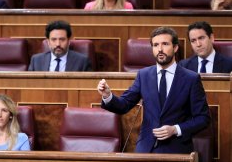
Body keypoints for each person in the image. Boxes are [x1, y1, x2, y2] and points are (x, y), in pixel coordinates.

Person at [97, 26, 210, 154]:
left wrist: (175, 129)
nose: (160, 49)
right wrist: (107, 96)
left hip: (177, 150)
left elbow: (203, 118)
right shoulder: (143, 75)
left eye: (165, 44)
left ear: (175, 47)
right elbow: (124, 105)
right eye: (155, 45)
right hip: (146, 149)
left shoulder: (191, 79)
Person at [28, 20, 92, 71]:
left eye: (62, 39)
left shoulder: (82, 61)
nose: (58, 44)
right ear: (48, 42)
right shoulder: (36, 60)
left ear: (69, 41)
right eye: (53, 39)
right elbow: (29, 85)